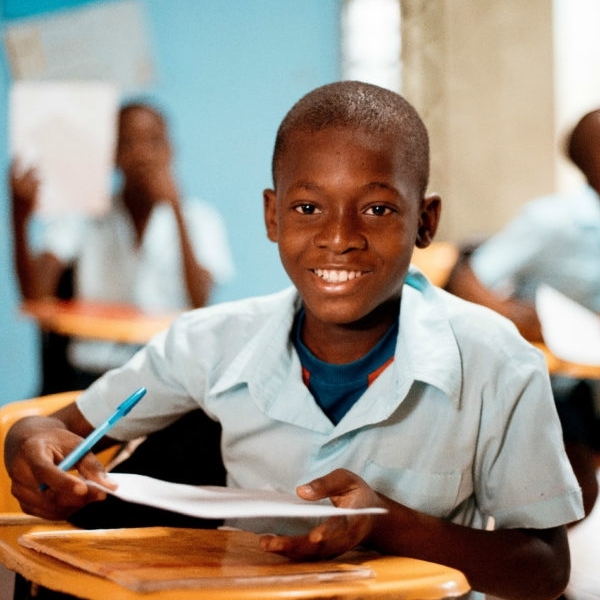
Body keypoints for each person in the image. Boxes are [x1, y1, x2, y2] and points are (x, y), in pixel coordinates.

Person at [5, 82, 583, 600]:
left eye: (377, 208)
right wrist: (30, 451)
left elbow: (544, 569)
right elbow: (52, 428)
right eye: (308, 208)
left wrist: (385, 522)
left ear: (425, 223)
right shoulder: (211, 341)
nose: (338, 237)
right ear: (272, 216)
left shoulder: (496, 362)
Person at [10, 101, 235, 391]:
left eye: (153, 141)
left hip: (166, 376)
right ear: (112, 156)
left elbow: (200, 299)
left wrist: (176, 209)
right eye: (128, 142)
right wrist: (19, 217)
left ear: (171, 150)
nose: (141, 153)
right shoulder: (84, 215)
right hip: (90, 373)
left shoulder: (200, 219)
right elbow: (36, 296)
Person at [445, 109, 600, 520]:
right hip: (560, 379)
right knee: (572, 491)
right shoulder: (553, 221)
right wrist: (523, 319)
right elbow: (469, 279)